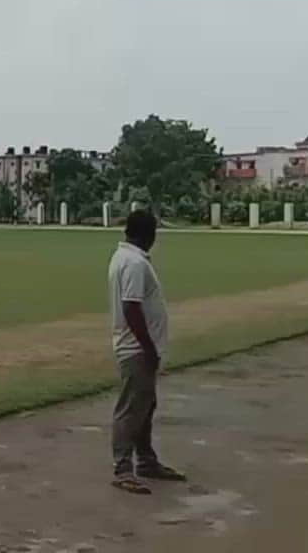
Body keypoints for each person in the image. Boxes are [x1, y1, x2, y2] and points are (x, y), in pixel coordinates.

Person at [108, 210, 186, 494]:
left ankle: (146, 460)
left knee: (145, 405)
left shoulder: (126, 258)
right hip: (136, 348)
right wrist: (148, 347)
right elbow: (131, 306)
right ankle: (123, 468)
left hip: (138, 346)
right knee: (131, 408)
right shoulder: (134, 263)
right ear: (149, 234)